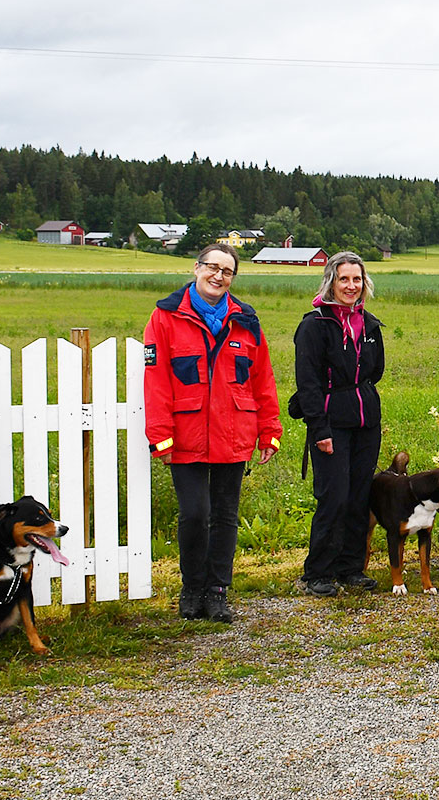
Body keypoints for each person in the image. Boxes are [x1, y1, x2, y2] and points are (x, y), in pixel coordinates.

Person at [143, 243, 282, 622]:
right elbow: (155, 382)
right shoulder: (165, 317)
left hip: (234, 432)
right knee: (193, 514)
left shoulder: (246, 321)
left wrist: (269, 430)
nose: (218, 276)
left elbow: (262, 380)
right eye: (212, 268)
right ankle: (192, 586)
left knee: (224, 515)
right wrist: (160, 435)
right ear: (196, 268)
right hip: (185, 436)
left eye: (227, 271)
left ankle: (218, 589)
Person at [290, 252, 384, 597]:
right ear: (331, 281)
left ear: (364, 284)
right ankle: (319, 571)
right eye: (344, 279)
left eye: (356, 279)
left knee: (360, 494)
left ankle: (350, 567)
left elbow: (376, 372)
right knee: (334, 496)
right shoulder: (315, 325)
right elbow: (308, 383)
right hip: (331, 421)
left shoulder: (370, 324)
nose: (351, 286)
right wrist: (319, 428)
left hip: (365, 420)